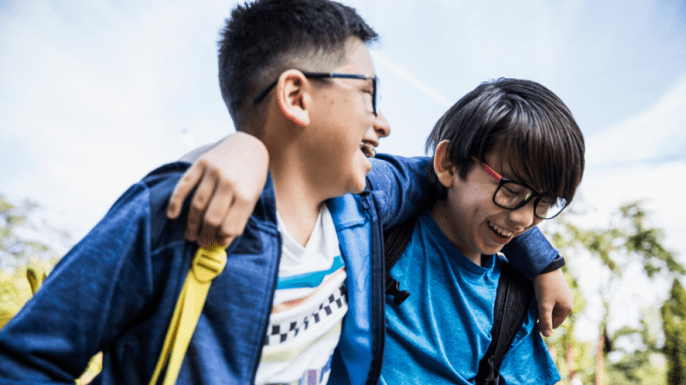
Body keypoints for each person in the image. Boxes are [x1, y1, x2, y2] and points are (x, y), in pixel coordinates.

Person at [0, 2, 568, 385]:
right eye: (369, 95)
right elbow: (27, 357)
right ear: (295, 96)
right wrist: (237, 148)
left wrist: (540, 256)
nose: (384, 123)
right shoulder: (177, 213)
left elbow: (449, 176)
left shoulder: (364, 206)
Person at [380, 78, 584, 384]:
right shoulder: (376, 239)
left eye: (544, 204)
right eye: (512, 190)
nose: (524, 219)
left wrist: (546, 263)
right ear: (448, 163)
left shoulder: (511, 304)